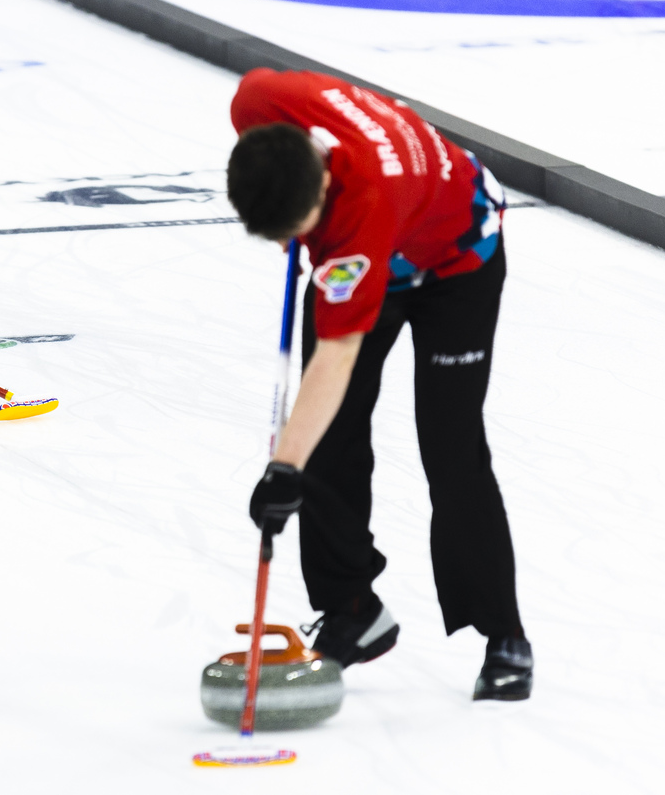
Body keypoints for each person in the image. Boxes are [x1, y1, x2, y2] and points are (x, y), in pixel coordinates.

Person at [227, 68, 532, 701]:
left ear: (324, 185)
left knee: (450, 444)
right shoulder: (260, 103)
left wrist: (283, 468)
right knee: (328, 433)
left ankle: (504, 634)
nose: (292, 243)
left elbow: (335, 358)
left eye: (298, 229)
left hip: (456, 259)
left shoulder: (358, 214)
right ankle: (352, 611)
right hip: (380, 230)